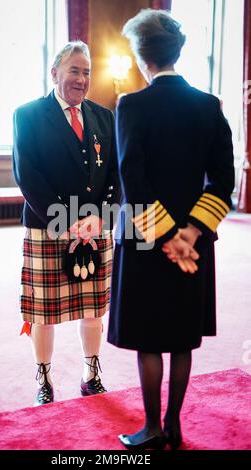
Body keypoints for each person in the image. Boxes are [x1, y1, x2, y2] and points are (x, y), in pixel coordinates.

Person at [108, 9, 234, 450]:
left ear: (141, 55)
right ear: (177, 52)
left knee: (148, 338)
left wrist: (165, 238)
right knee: (182, 336)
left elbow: (133, 181)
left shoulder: (132, 105)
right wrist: (190, 236)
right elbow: (224, 181)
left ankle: (152, 428)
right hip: (194, 247)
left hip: (146, 242)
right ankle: (175, 424)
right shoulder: (209, 105)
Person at [13, 41, 120, 406]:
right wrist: (68, 221)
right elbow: (27, 175)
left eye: (87, 71)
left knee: (93, 309)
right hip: (48, 225)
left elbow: (117, 176)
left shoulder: (105, 117)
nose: (81, 78)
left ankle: (91, 374)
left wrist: (100, 217)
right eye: (74, 70)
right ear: (55, 73)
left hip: (94, 228)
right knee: (44, 312)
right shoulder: (27, 114)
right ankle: (43, 377)